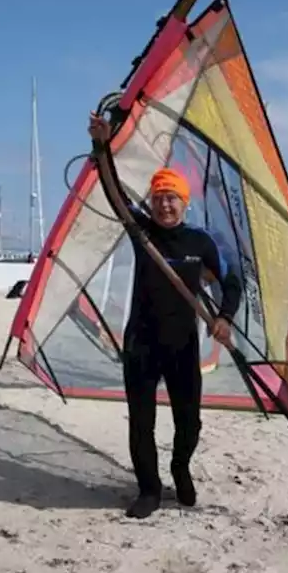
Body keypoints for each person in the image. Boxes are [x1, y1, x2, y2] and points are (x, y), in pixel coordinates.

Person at [88, 113, 242, 519]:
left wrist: (224, 318)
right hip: (141, 342)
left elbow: (231, 283)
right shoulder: (142, 232)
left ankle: (180, 466)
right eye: (158, 197)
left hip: (182, 345)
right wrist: (102, 147)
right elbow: (114, 192)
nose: (164, 203)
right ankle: (149, 489)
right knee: (141, 423)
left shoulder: (199, 241)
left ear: (183, 201)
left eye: (171, 197)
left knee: (189, 422)